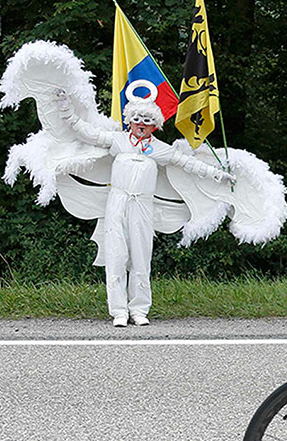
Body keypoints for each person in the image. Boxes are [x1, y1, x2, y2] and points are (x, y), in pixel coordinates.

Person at [55, 87, 234, 327]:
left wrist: (217, 175)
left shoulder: (160, 148)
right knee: (116, 255)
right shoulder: (117, 140)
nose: (141, 124)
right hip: (117, 202)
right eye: (137, 119)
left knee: (141, 258)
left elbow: (188, 164)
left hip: (143, 205)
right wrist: (66, 109)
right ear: (129, 121)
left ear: (154, 125)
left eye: (147, 121)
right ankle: (118, 311)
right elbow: (85, 132)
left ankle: (139, 310)